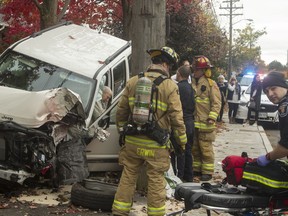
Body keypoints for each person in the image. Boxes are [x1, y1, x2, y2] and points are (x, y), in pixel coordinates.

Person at [112, 46, 187, 216]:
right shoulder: (169, 86)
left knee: (128, 176)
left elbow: (121, 112)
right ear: (166, 65)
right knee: (156, 179)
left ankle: (119, 212)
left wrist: (123, 132)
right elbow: (177, 118)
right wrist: (182, 142)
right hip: (156, 145)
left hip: (132, 141)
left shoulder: (133, 81)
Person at [191, 55, 221, 181]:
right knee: (195, 148)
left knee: (206, 149)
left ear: (203, 71)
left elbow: (216, 103)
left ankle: (207, 172)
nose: (195, 72)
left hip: (206, 123)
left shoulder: (210, 84)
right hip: (194, 122)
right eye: (194, 69)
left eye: (197, 70)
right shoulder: (191, 82)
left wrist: (212, 118)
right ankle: (196, 169)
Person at [256, 72, 288, 166]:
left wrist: (268, 157)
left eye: (273, 88)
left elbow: (286, 146)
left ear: (284, 86)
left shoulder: (285, 106)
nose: (270, 94)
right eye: (266, 91)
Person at [170, 65, 195, 182]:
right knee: (188, 150)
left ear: (179, 74)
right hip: (190, 122)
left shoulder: (176, 88)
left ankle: (178, 177)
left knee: (177, 151)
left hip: (181, 122)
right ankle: (189, 176)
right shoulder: (192, 88)